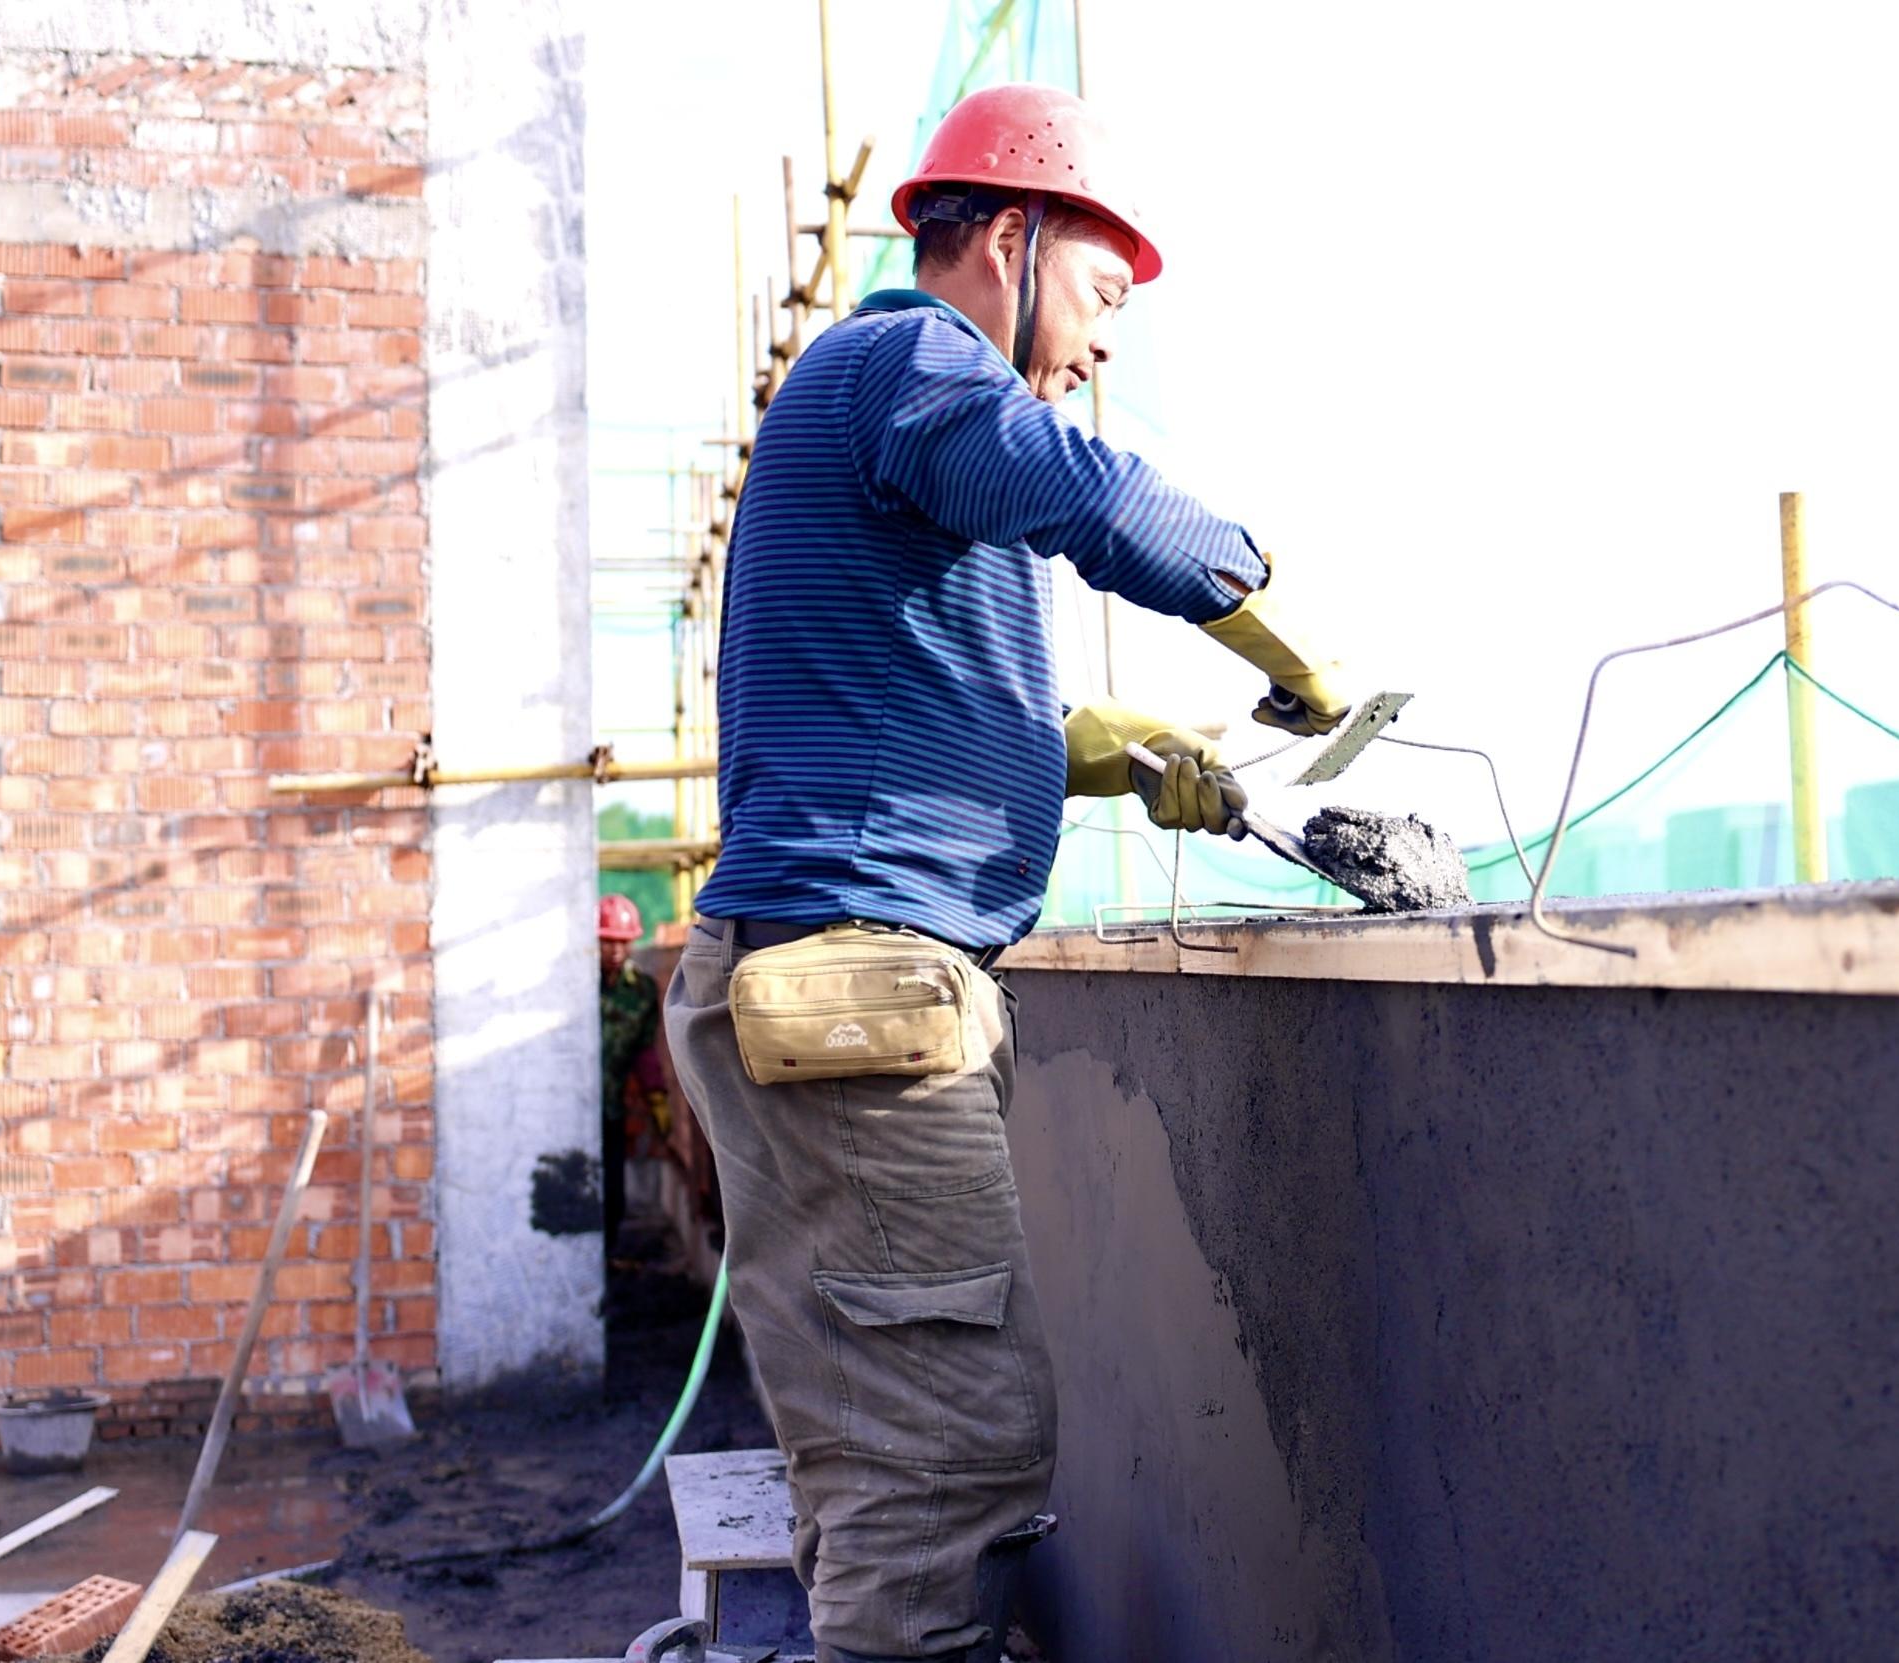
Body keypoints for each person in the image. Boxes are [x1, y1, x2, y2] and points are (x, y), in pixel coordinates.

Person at [662, 83, 1354, 1663]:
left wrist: (1110, 751)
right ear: (1008, 236)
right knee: (948, 1443)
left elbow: (909, 716)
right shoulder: (907, 363)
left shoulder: (883, 423)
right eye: (1101, 294)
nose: (1102, 347)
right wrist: (1268, 616)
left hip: (818, 976)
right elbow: (1081, 492)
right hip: (855, 995)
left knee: (875, 1436)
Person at [596, 892, 662, 1254]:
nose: (616, 950)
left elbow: (644, 1051)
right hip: (565, 1111)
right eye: (607, 941)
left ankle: (607, 1261)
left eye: (623, 942)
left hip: (611, 1108)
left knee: (613, 1195)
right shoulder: (571, 987)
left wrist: (657, 1098)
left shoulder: (641, 991)